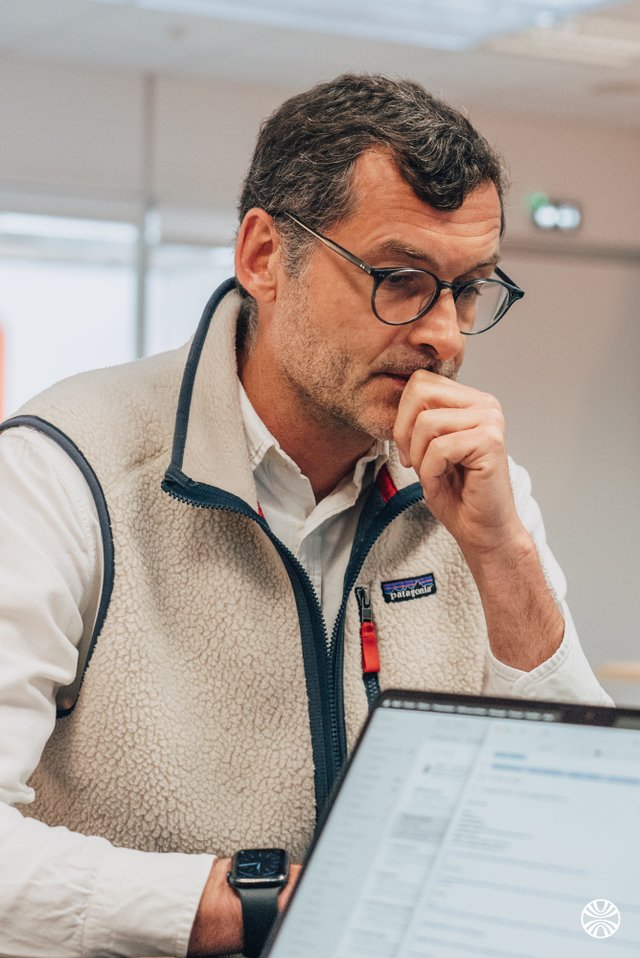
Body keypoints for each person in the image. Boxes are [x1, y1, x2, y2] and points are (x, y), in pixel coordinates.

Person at [0, 73, 611, 958]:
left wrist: (501, 552)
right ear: (261, 257)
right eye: (400, 279)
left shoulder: (477, 492)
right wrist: (244, 913)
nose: (444, 333)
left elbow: (584, 815)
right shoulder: (64, 469)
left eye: (469, 288)